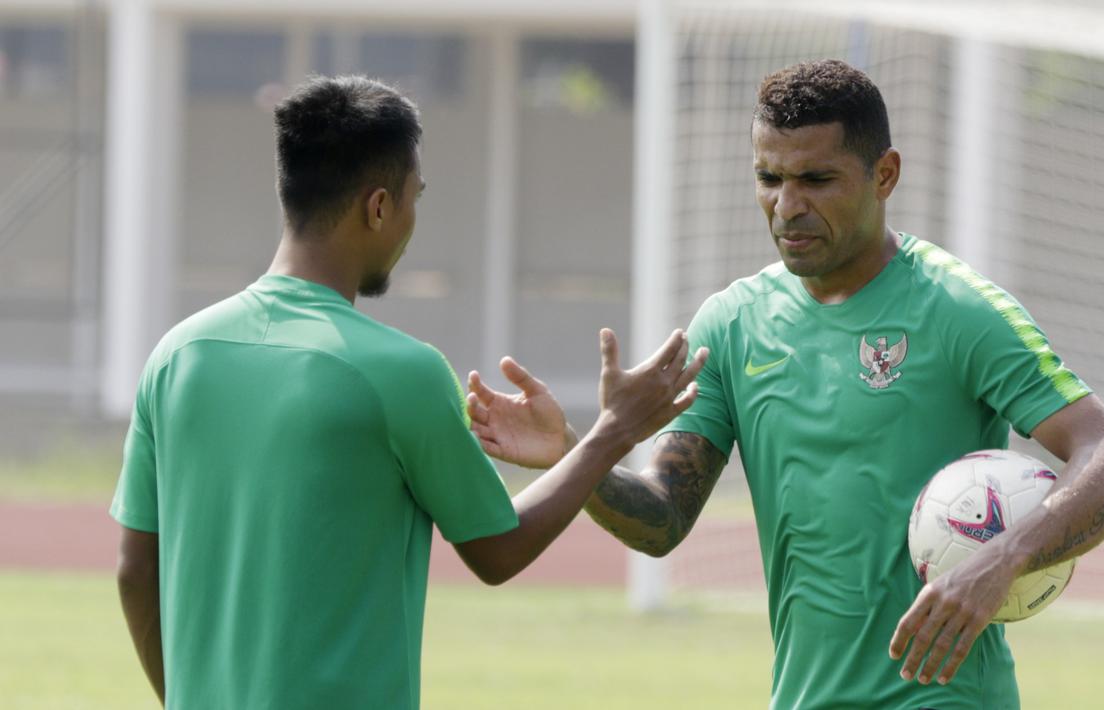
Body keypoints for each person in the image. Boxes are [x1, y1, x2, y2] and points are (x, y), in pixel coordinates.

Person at [465, 60, 1104, 709]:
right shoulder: (731, 324)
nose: (785, 206)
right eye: (768, 178)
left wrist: (1001, 561)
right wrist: (574, 452)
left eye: (816, 180)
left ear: (884, 175)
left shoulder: (959, 311)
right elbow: (661, 520)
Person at [111, 75, 707, 709]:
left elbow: (134, 570)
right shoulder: (401, 372)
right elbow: (497, 552)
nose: (412, 220)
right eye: (413, 197)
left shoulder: (177, 356)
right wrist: (609, 433)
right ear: (378, 206)